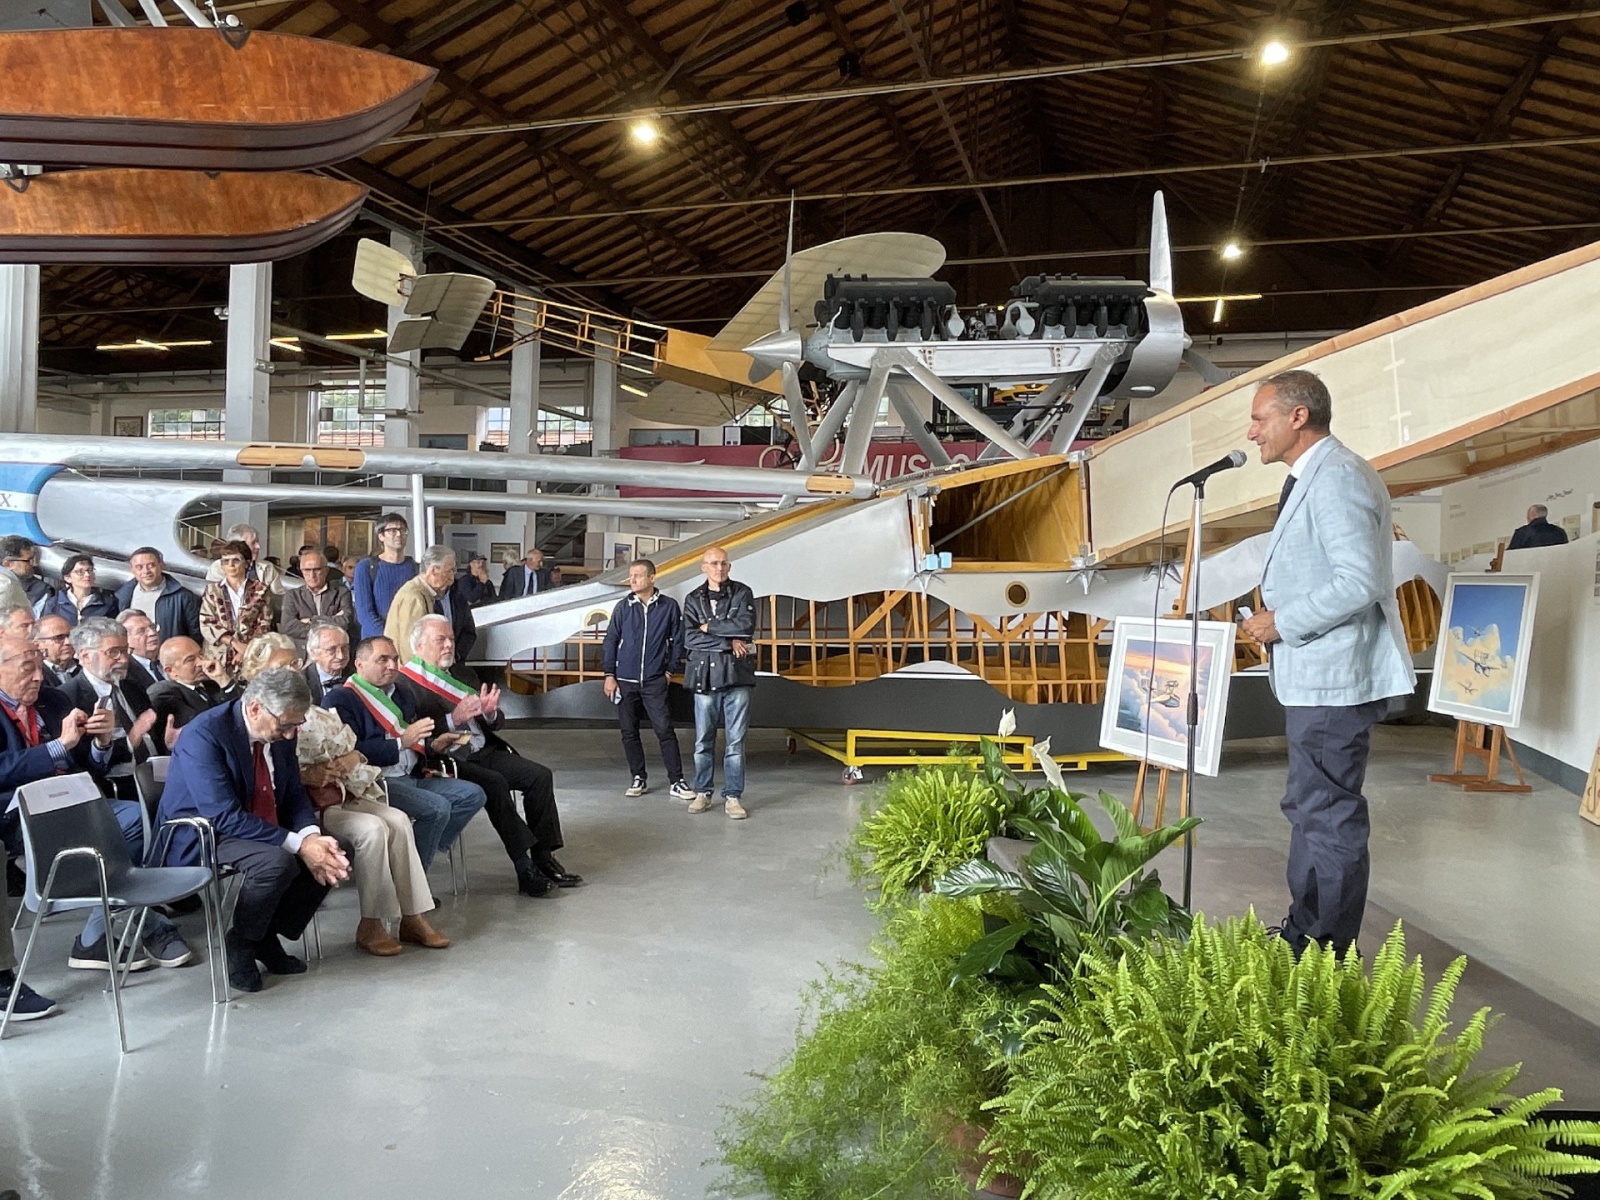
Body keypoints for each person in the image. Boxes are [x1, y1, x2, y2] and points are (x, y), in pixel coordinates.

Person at [1240, 369, 1416, 958]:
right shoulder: (1314, 475)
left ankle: (1327, 950)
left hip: (1334, 682)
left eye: (1260, 418)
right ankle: (1305, 934)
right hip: (1318, 679)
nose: (1251, 431)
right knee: (1311, 809)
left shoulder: (1338, 476)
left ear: (1297, 417)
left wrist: (1279, 622)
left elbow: (1357, 582)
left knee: (1327, 815)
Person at [0, 635, 192, 973]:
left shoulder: (53, 700)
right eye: (27, 669)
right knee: (112, 837)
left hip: (76, 802)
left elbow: (88, 769)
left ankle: (96, 936)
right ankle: (148, 926)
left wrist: (101, 743)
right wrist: (57, 747)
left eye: (40, 668)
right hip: (22, 816)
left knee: (141, 819)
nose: (38, 677)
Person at [155, 668, 351, 992]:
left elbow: (292, 794)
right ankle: (242, 943)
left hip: (255, 820)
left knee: (336, 847)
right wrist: (300, 846)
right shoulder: (204, 734)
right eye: (285, 725)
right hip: (202, 831)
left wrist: (312, 837)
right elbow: (223, 816)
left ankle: (265, 935)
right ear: (256, 707)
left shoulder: (281, 731)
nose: (290, 734)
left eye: (296, 725)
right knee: (276, 862)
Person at [397, 614, 579, 896]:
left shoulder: (463, 674)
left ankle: (543, 857)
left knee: (539, 776)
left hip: (483, 749)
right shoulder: (405, 684)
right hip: (448, 759)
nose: (449, 645)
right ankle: (524, 868)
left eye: (451, 639)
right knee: (494, 784)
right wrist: (452, 719)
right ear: (419, 646)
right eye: (440, 640)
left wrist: (491, 712)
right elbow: (414, 735)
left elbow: (492, 721)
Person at [293, 690, 447, 957]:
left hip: (347, 790)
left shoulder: (316, 713)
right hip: (312, 807)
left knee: (398, 820)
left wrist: (351, 758)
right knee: (372, 829)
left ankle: (412, 916)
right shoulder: (275, 722)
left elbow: (356, 749)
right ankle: (371, 923)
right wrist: (306, 775)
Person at [325, 637, 485, 873]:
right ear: (359, 664)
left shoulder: (402, 692)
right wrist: (401, 742)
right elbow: (350, 751)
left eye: (395, 659)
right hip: (377, 782)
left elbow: (414, 737)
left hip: (413, 774)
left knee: (473, 795)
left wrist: (433, 745)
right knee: (437, 809)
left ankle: (413, 858)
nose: (392, 666)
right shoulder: (341, 699)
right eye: (382, 660)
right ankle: (412, 879)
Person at [602, 559, 694, 801]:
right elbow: (610, 641)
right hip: (625, 681)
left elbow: (678, 641)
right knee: (628, 731)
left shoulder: (669, 607)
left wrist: (669, 671)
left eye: (638, 576)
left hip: (654, 681)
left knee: (664, 729)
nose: (632, 580)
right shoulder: (623, 607)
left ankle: (677, 781)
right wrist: (609, 675)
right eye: (631, 576)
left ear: (652, 578)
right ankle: (638, 777)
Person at [682, 546, 756, 819]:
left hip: (737, 677)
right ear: (703, 567)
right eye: (713, 563)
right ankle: (702, 791)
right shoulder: (692, 599)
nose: (719, 568)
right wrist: (729, 640)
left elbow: (746, 627)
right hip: (705, 678)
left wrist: (709, 627)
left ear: (729, 566)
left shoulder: (743, 593)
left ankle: (733, 797)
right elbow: (689, 639)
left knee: (735, 743)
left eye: (723, 563)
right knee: (703, 740)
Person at [59, 617, 168, 798]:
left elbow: (152, 735)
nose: (124, 659)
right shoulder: (68, 698)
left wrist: (168, 743)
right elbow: (82, 764)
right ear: (85, 656)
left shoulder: (131, 686)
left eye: (125, 651)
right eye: (114, 653)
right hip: (116, 788)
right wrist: (131, 739)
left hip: (159, 773)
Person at [384, 545, 476, 660]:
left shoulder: (424, 593)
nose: (452, 578)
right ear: (433, 570)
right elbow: (410, 648)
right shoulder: (414, 597)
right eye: (449, 571)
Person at [200, 539, 273, 674]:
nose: (230, 565)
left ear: (247, 563)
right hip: (218, 656)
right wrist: (234, 643)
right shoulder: (212, 590)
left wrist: (246, 650)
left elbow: (264, 624)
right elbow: (207, 622)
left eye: (236, 560)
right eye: (225, 561)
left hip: (251, 654)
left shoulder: (261, 590)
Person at [113, 547, 201, 642]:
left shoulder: (183, 596)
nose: (146, 571)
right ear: (132, 570)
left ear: (161, 565)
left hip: (169, 653)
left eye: (151, 565)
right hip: (137, 655)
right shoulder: (123, 596)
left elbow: (195, 633)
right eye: (139, 567)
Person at [278, 549, 356, 652]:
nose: (312, 575)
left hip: (334, 651)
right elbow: (288, 627)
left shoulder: (341, 593)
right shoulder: (292, 596)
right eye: (307, 570)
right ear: (301, 571)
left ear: (326, 570)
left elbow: (346, 621)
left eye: (317, 569)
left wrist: (312, 620)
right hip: (304, 653)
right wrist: (331, 620)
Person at [354, 512, 417, 639]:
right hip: (377, 641)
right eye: (392, 531)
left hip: (409, 640)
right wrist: (388, 637)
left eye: (402, 530)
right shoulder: (366, 567)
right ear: (381, 536)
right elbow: (365, 613)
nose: (399, 534)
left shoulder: (416, 568)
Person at [148, 636, 230, 733]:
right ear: (171, 671)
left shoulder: (213, 683)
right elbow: (202, 725)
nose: (201, 662)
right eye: (190, 660)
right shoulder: (165, 693)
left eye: (201, 655)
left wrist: (223, 680)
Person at [204, 523, 285, 597]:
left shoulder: (267, 567)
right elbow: (216, 597)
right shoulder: (218, 567)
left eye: (257, 542)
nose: (258, 546)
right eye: (253, 543)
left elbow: (279, 596)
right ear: (237, 546)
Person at [50, 554, 119, 628]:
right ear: (68, 578)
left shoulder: (108, 603)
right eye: (80, 572)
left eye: (90, 570)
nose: (87, 574)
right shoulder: (55, 603)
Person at [302, 619, 352, 705]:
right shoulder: (301, 682)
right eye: (331, 650)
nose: (341, 656)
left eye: (344, 648)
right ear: (313, 653)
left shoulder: (357, 677)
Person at [0, 537, 54, 616]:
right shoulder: (6, 587)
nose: (34, 564)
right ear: (8, 564)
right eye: (28, 561)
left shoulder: (41, 590)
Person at [117, 609, 164, 691]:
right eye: (141, 631)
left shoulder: (169, 659)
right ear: (126, 639)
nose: (152, 633)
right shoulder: (126, 673)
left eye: (153, 627)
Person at [31, 614, 78, 686]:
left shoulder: (84, 667)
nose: (68, 642)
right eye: (59, 638)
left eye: (70, 635)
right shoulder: (34, 676)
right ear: (38, 645)